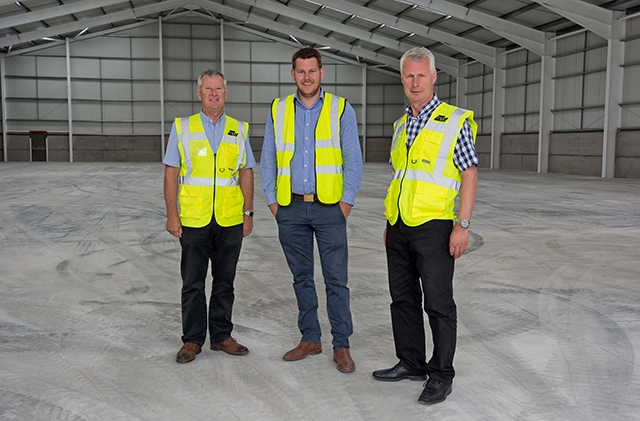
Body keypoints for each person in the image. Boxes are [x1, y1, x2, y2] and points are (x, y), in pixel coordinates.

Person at [372, 47, 479, 405]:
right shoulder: (402, 124)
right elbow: (400, 176)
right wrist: (392, 220)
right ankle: (411, 362)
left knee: (438, 303)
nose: (415, 82)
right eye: (408, 75)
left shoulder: (454, 120)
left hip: (435, 227)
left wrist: (462, 224)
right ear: (402, 79)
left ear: (434, 77)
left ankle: (441, 374)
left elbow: (469, 173)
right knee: (402, 300)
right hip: (399, 226)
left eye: (421, 75)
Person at [260, 47, 363, 373]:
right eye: (301, 71)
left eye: (312, 71)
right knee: (301, 278)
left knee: (336, 280)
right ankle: (310, 338)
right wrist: (273, 201)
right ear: (293, 74)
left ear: (322, 73)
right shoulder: (278, 109)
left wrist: (345, 203)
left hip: (330, 209)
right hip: (290, 209)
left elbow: (353, 159)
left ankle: (341, 345)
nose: (307, 77)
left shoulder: (340, 108)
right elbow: (268, 159)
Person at [163, 69, 255, 364]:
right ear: (198, 93)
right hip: (193, 219)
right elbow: (171, 173)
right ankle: (192, 340)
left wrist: (248, 212)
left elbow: (246, 172)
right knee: (193, 283)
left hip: (229, 219)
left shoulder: (239, 129)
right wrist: (172, 215)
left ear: (225, 94)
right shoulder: (183, 127)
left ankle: (221, 336)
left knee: (225, 281)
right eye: (208, 88)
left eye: (218, 88)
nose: (213, 93)